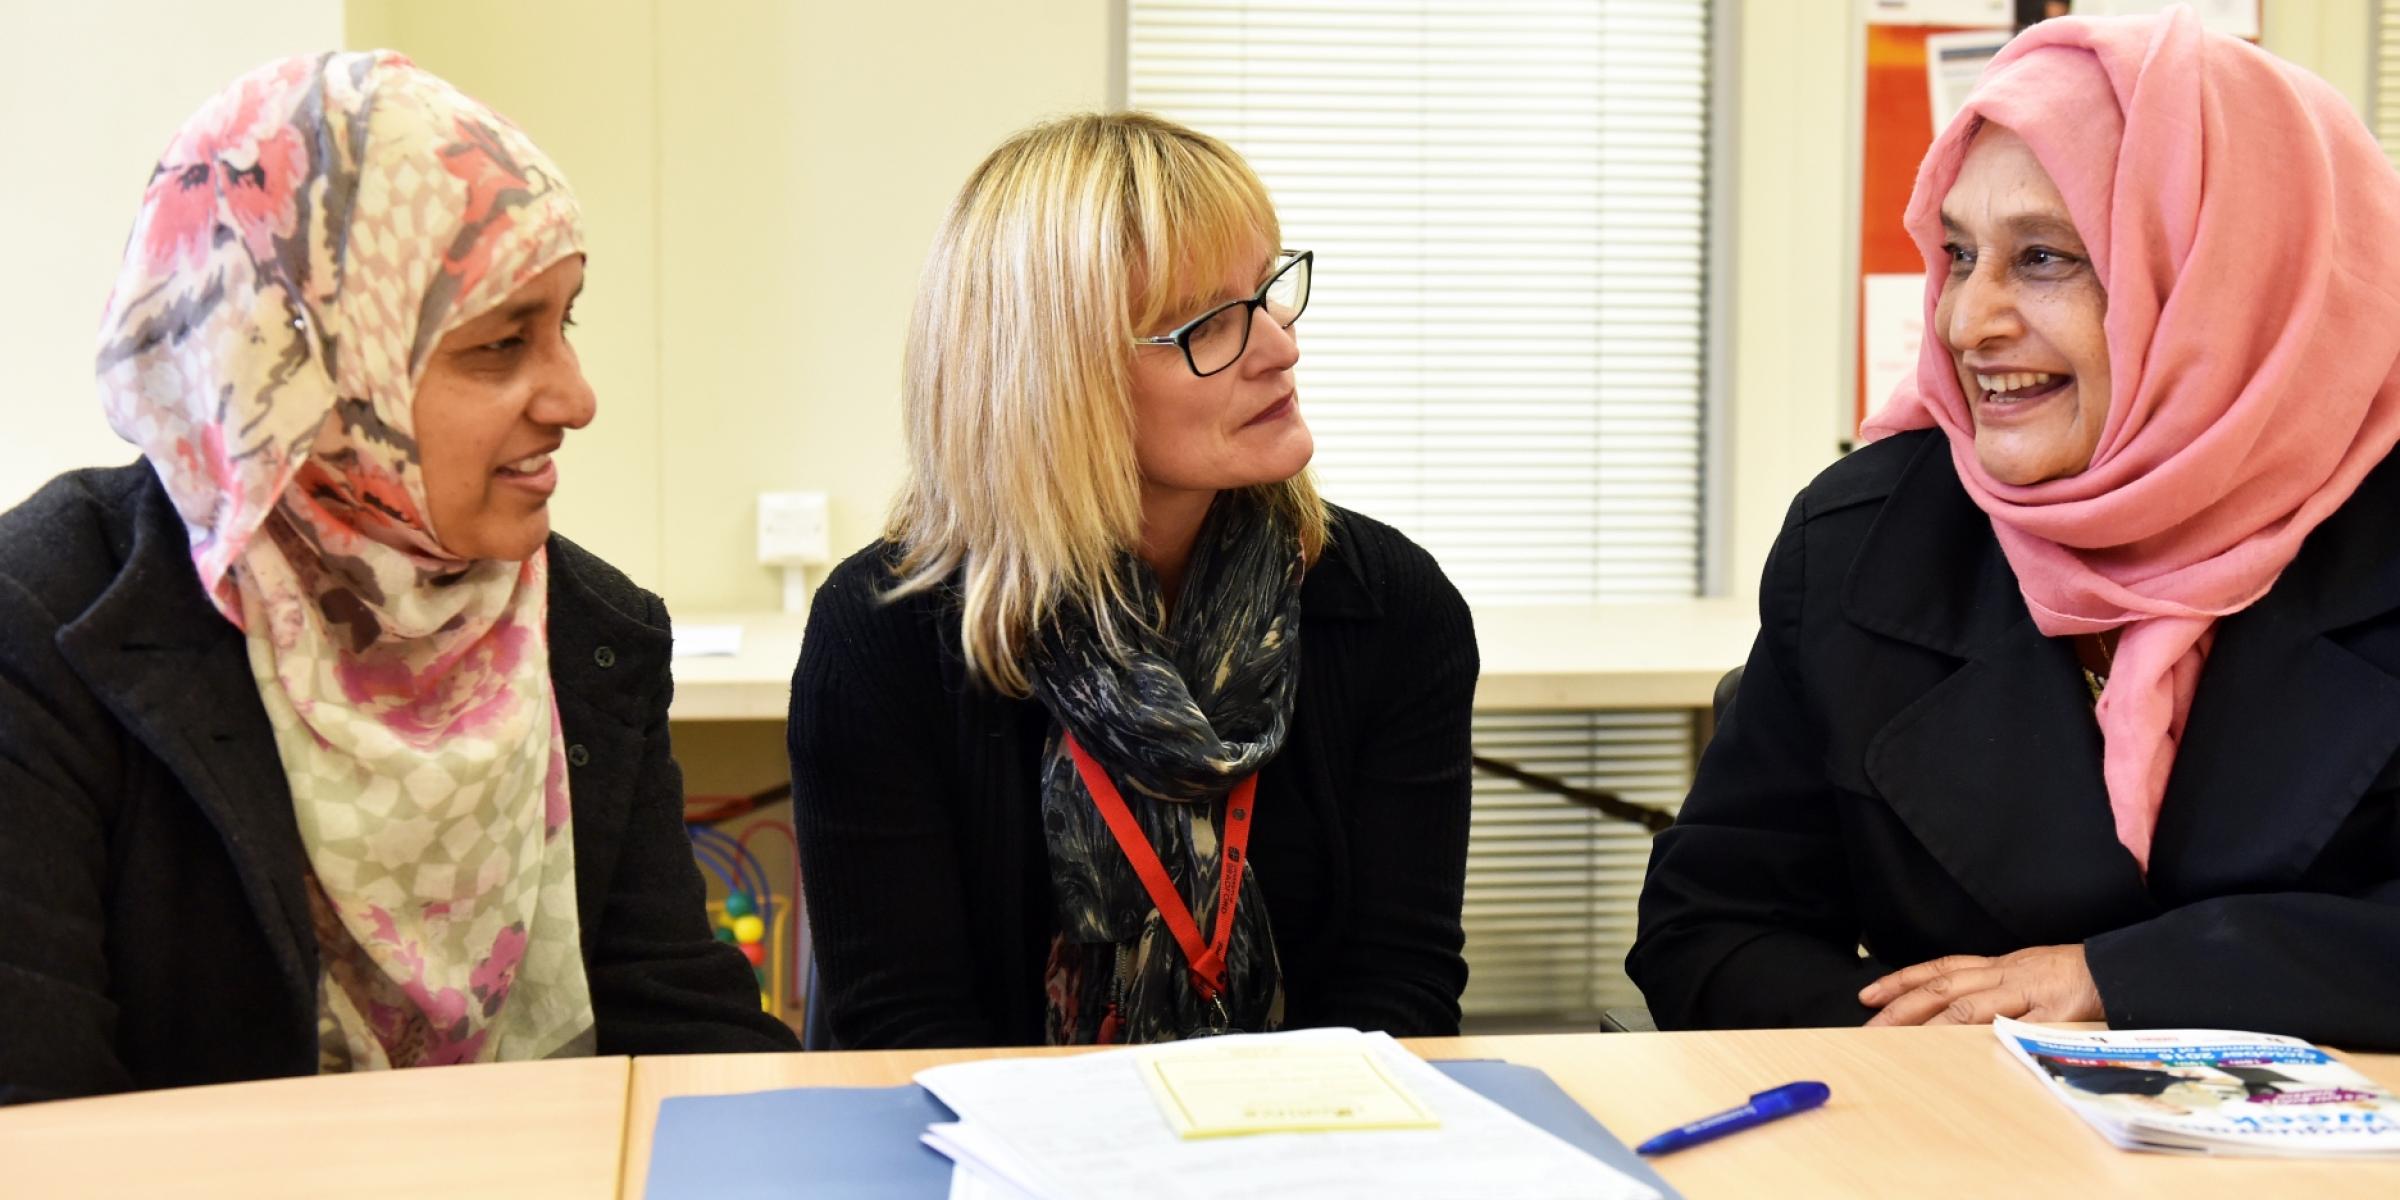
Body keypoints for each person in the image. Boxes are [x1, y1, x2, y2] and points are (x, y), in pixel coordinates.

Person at [0, 52, 796, 1103]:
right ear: (306, 375)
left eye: (568, 324)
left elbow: (685, 1040)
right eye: (502, 344)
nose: (576, 396)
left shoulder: (592, 632)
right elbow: (38, 1116)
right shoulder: (44, 628)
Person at [1628, 9, 2400, 1049]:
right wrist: (1951, 1054)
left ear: (2229, 276)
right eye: (1956, 254)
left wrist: (2116, 984)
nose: (1964, 320)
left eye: (2043, 257)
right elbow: (1711, 929)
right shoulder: (1867, 536)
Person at [788, 112, 1477, 1048]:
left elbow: (1401, 996)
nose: (1281, 347)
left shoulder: (1390, 609)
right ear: (1054, 378)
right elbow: (906, 1034)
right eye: (1212, 324)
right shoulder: (886, 633)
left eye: (1269, 292)